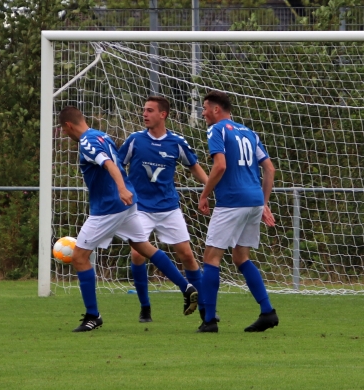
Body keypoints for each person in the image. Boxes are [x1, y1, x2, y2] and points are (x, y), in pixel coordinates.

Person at [58, 106, 198, 332]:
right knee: (143, 246)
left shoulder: (87, 142)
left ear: (68, 125)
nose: (65, 135)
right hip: (127, 205)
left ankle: (93, 316)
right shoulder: (101, 136)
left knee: (79, 257)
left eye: (64, 131)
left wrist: (121, 189)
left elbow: (109, 164)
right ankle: (186, 287)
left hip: (109, 208)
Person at [118, 96, 209, 323]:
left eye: (150, 110)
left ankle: (204, 308)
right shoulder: (135, 140)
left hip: (168, 207)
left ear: (163, 114)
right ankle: (145, 307)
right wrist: (120, 189)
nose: (145, 114)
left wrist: (210, 188)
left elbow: (194, 167)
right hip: (140, 207)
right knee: (137, 253)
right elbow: (117, 166)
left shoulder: (176, 142)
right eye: (144, 110)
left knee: (187, 255)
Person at [196, 91, 278, 333]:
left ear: (216, 110)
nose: (203, 113)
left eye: (205, 108)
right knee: (241, 257)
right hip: (253, 201)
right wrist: (263, 203)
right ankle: (267, 312)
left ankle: (209, 320)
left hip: (232, 201)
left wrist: (205, 194)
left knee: (211, 258)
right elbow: (270, 169)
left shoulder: (217, 130)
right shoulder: (249, 132)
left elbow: (220, 165)